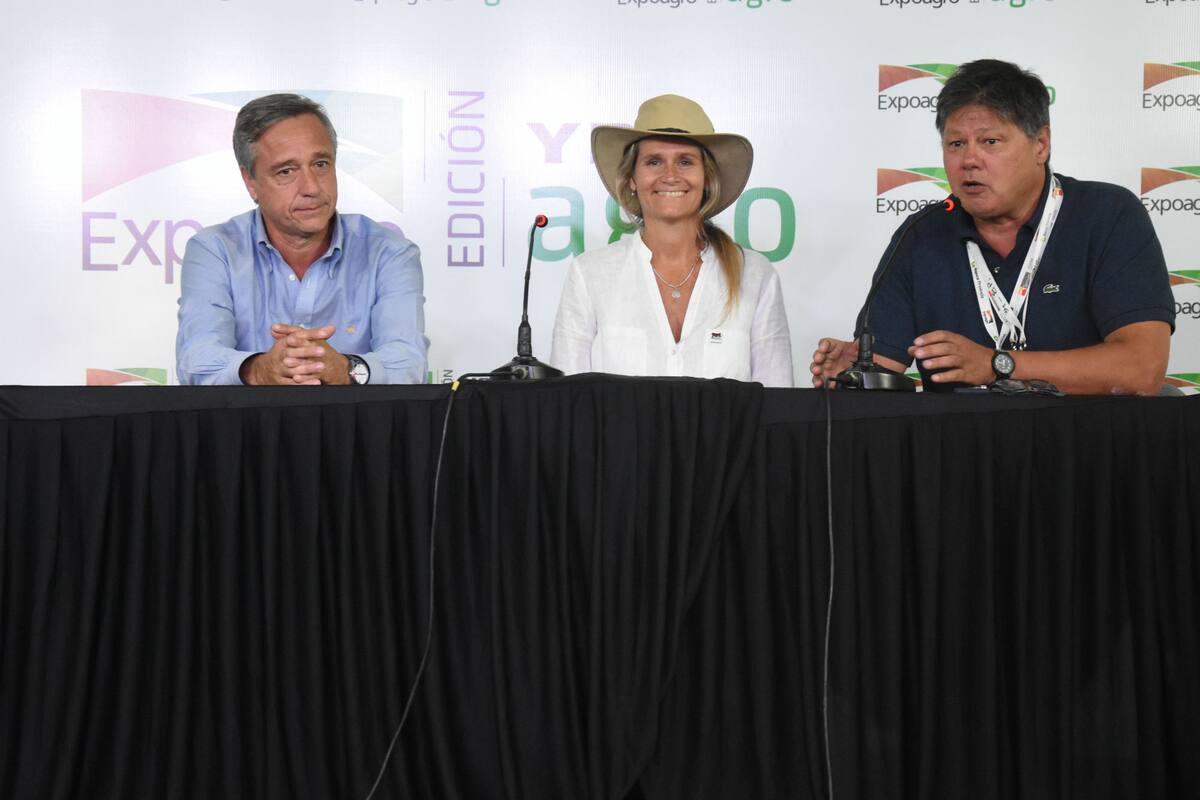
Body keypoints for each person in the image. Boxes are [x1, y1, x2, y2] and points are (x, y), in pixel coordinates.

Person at [810, 59, 1174, 395]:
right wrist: (856, 376)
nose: (969, 160)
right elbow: (885, 368)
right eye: (956, 144)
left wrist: (996, 365)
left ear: (1041, 144)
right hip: (962, 451)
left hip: (1083, 447)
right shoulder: (920, 234)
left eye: (990, 141)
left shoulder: (1107, 215)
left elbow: (1141, 367)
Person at [176, 93, 428, 385]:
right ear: (251, 183)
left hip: (354, 428)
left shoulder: (389, 253)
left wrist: (345, 369)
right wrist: (261, 369)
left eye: (321, 164)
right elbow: (196, 359)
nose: (311, 187)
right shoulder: (215, 250)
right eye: (286, 171)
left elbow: (410, 363)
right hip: (251, 429)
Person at [550, 94, 793, 386]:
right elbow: (567, 404)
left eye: (685, 162)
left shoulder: (755, 275)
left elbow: (776, 401)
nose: (670, 176)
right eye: (654, 162)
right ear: (632, 179)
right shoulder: (590, 274)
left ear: (707, 179)